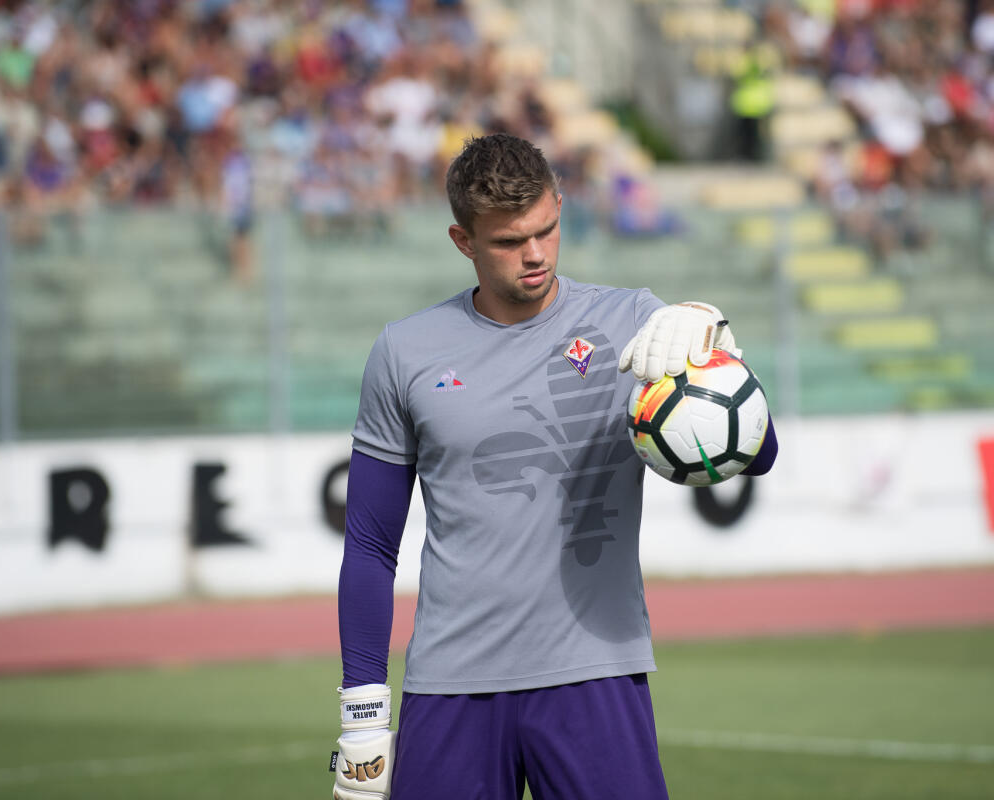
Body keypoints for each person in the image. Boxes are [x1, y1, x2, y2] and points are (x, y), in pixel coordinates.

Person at [333, 133, 778, 800]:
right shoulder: (404, 351)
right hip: (451, 684)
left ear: (561, 207)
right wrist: (363, 715)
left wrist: (719, 346)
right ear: (464, 241)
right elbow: (370, 544)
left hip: (597, 674)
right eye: (510, 242)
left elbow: (760, 454)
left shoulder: (637, 323)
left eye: (546, 229)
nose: (535, 254)